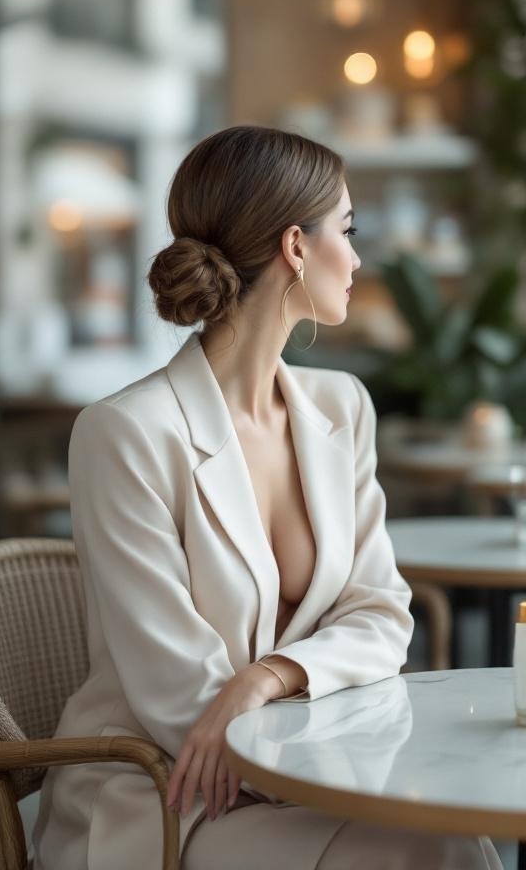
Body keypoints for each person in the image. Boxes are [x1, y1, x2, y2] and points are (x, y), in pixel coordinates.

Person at [31, 126, 501, 870]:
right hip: (170, 799)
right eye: (346, 231)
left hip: (315, 770)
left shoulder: (342, 409)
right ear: (296, 247)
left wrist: (266, 677)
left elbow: (381, 614)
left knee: (453, 839)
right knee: (432, 848)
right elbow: (179, 700)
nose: (357, 257)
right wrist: (296, 715)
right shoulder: (124, 434)